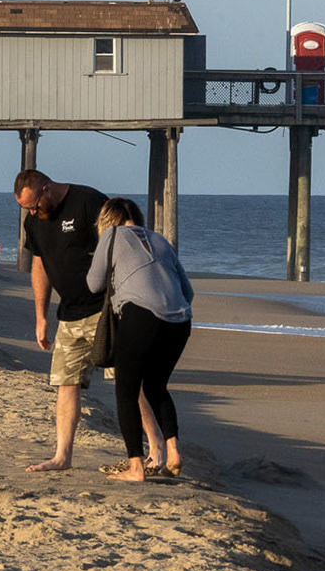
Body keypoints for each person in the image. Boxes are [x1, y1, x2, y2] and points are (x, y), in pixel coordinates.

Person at [14, 169, 114, 472]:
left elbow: (120, 246)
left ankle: (158, 451)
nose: (33, 212)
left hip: (105, 310)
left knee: (128, 381)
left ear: (46, 188)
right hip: (69, 314)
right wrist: (41, 317)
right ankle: (62, 457)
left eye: (34, 205)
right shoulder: (34, 222)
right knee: (65, 383)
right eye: (27, 209)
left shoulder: (87, 202)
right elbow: (40, 267)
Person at [87, 198, 193, 482]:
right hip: (180, 321)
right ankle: (173, 453)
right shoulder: (160, 240)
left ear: (107, 220)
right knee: (156, 386)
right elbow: (188, 292)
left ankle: (136, 467)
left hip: (140, 316)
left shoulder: (111, 236)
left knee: (126, 391)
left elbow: (94, 284)